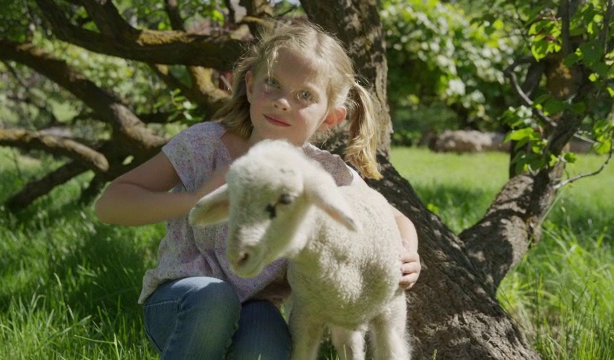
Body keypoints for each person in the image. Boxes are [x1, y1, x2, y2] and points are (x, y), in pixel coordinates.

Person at [94, 20, 421, 360]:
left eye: (304, 96)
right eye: (273, 84)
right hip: (183, 298)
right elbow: (110, 204)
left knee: (266, 349)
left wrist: (407, 254)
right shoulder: (205, 145)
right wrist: (195, 199)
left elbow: (392, 218)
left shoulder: (321, 173)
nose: (282, 102)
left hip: (257, 307)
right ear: (250, 86)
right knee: (215, 299)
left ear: (330, 117)